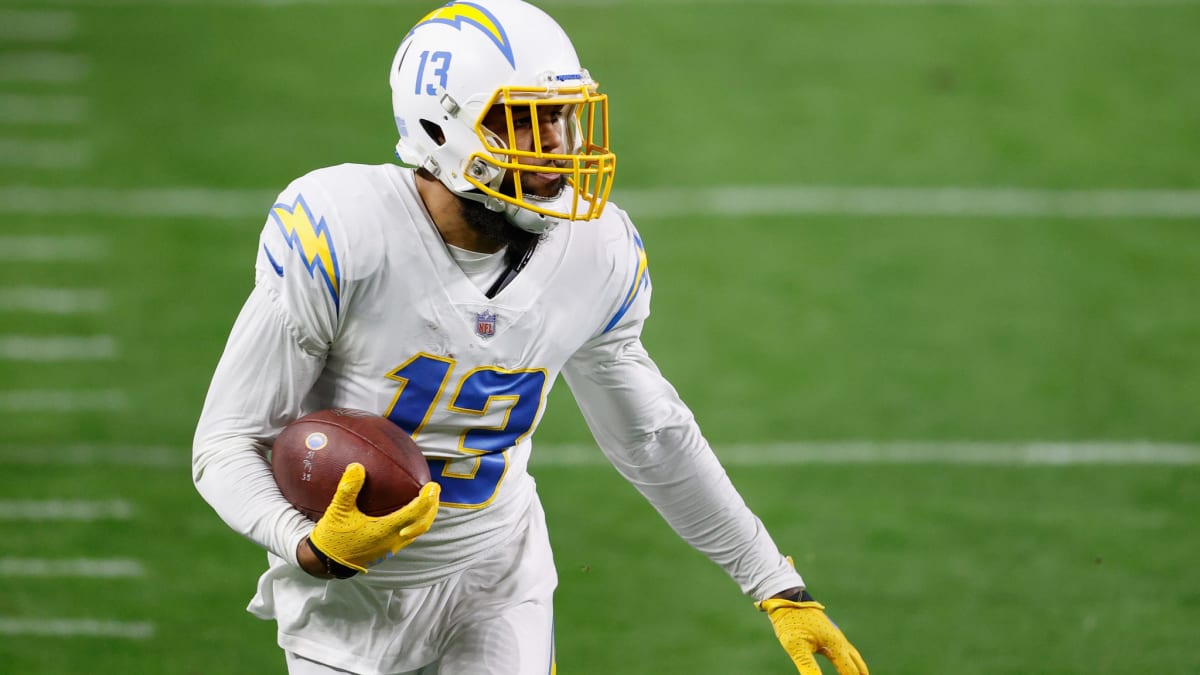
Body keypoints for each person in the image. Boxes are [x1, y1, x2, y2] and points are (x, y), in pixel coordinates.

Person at [192, 1, 870, 673]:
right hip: (349, 603)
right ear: (441, 127)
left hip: (496, 578)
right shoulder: (344, 233)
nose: (554, 145)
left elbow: (651, 434)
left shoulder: (596, 249)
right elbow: (225, 441)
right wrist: (306, 544)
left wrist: (776, 584)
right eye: (521, 119)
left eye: (560, 115)